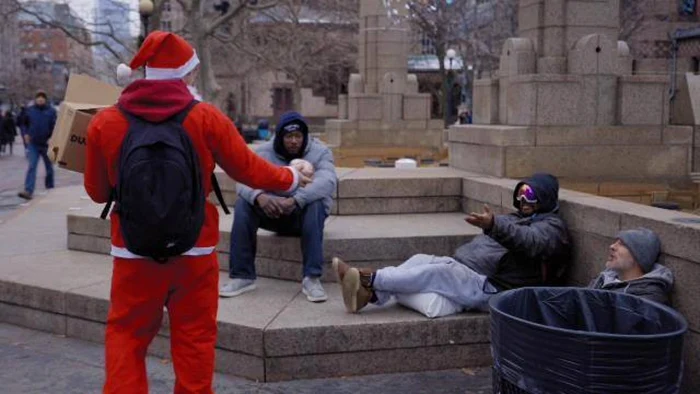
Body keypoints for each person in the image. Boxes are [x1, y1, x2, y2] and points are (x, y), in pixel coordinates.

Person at [85, 31, 309, 394]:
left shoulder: (105, 122)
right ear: (184, 74)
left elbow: (96, 193)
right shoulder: (205, 117)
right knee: (194, 339)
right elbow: (249, 169)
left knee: (126, 334)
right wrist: (291, 177)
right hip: (195, 249)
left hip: (133, 251)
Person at [333, 173, 571, 314]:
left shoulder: (552, 228)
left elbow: (530, 242)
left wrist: (494, 225)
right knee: (420, 260)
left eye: (529, 195)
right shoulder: (518, 218)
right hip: (471, 270)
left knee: (438, 272)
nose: (522, 200)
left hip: (495, 288)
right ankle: (373, 296)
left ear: (545, 198)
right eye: (520, 194)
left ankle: (368, 279)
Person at [220, 111, 338, 303]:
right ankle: (242, 276)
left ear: (305, 136)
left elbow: (327, 181)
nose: (293, 141)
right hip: (272, 212)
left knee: (316, 201)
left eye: (298, 136)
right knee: (244, 203)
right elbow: (242, 180)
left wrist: (296, 200)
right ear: (280, 137)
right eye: (288, 136)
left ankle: (312, 278)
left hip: (303, 216)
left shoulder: (320, 152)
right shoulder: (264, 152)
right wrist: (259, 196)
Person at [589, 228, 673, 305]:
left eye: (622, 244)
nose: (612, 246)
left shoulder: (648, 298)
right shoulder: (602, 279)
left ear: (639, 256)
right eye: (615, 242)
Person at [18, 92, 56, 200]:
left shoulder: (51, 111)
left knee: (49, 168)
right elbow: (23, 124)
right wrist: (25, 133)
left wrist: (52, 138)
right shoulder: (30, 111)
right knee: (32, 166)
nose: (40, 100)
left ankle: (50, 188)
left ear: (45, 99)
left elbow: (55, 126)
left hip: (46, 144)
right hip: (33, 144)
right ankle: (28, 190)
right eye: (38, 98)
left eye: (42, 98)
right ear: (35, 99)